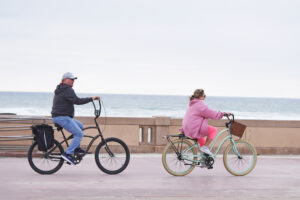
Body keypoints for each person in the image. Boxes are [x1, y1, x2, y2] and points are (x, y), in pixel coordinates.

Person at [51, 72, 100, 165]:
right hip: (62, 117)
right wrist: (92, 98)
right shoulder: (67, 89)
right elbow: (77, 101)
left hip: (59, 116)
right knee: (79, 134)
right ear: (65, 80)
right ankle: (68, 153)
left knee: (80, 126)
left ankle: (76, 148)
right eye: (72, 79)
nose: (73, 81)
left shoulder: (61, 89)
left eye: (74, 80)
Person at [181, 89, 228, 155]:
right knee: (213, 130)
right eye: (204, 95)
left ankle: (204, 160)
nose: (205, 96)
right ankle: (205, 147)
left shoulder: (192, 104)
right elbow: (211, 113)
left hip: (188, 128)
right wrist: (223, 114)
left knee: (202, 143)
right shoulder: (200, 105)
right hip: (194, 129)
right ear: (200, 96)